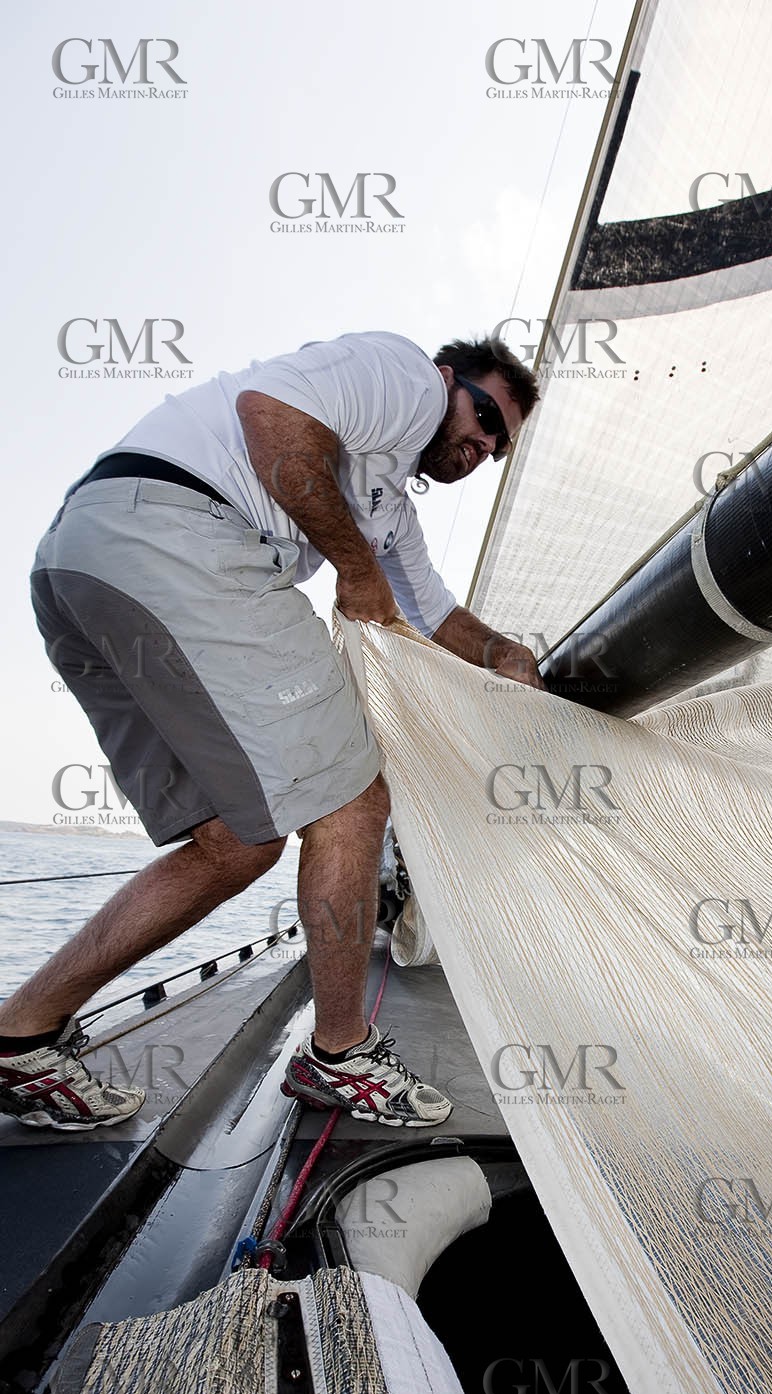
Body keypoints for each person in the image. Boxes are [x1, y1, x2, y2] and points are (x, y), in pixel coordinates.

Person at [0, 331, 541, 1132]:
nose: (484, 444)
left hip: (84, 561)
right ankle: (340, 1054)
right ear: (447, 377)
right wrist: (354, 573)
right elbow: (273, 420)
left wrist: (508, 655)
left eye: (500, 446)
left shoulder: (384, 502)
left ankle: (21, 1037)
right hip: (180, 535)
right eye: (486, 413)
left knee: (236, 841)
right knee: (354, 804)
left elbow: (433, 612)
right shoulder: (401, 376)